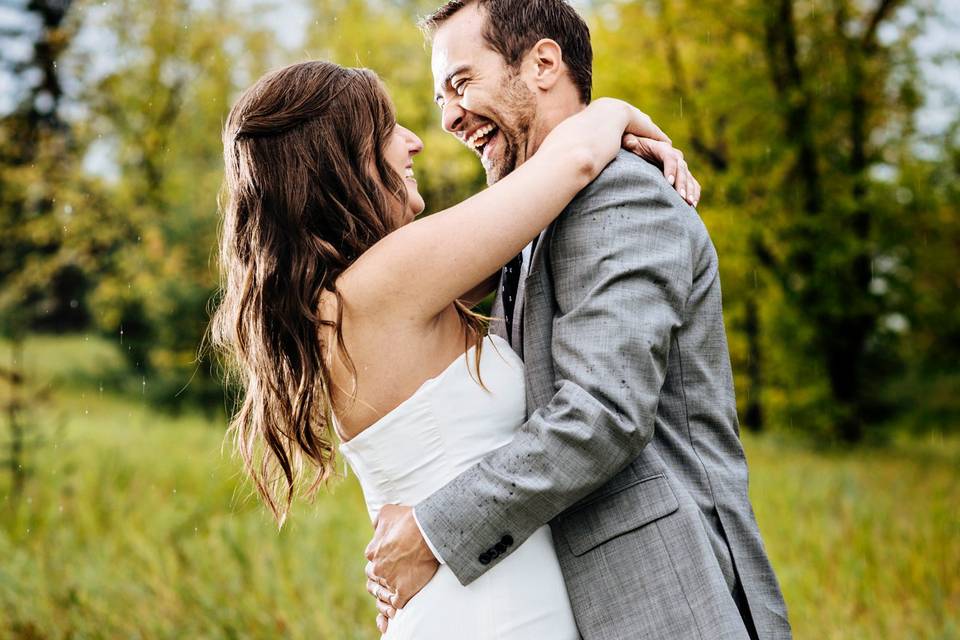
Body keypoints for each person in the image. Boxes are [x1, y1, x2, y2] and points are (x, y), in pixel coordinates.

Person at [212, 59, 695, 639]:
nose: (413, 141)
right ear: (338, 158)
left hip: (473, 598)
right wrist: (616, 112)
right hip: (491, 612)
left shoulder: (355, 298)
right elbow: (575, 161)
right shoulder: (385, 282)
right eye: (387, 128)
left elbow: (531, 237)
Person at [363, 1, 793, 639]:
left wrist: (432, 531)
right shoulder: (533, 219)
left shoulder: (621, 193)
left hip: (666, 603)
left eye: (460, 83)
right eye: (441, 97)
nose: (448, 116)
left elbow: (603, 416)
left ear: (541, 64)